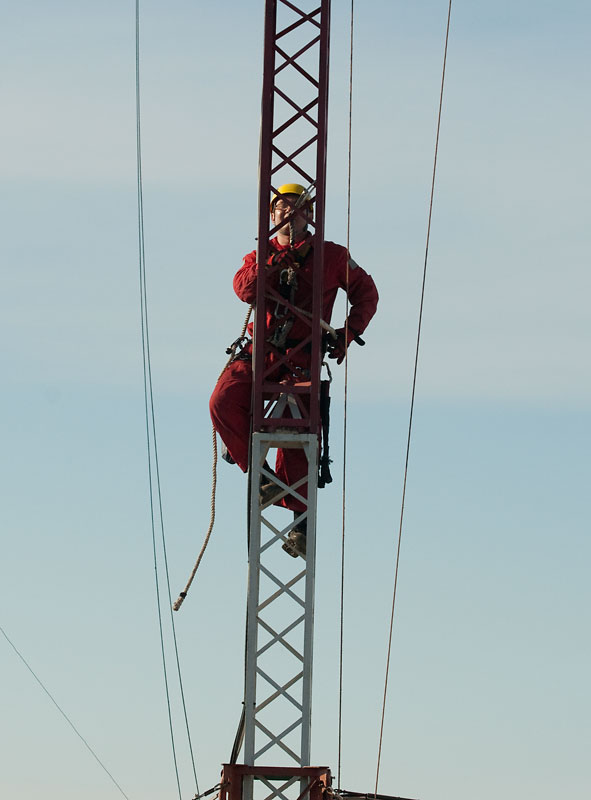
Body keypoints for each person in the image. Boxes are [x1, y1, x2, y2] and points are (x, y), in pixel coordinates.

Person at [209, 183, 378, 556]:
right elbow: (244, 288)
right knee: (223, 401)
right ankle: (263, 478)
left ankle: (300, 524)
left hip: (302, 357)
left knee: (296, 434)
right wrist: (272, 266)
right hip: (262, 352)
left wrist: (348, 334)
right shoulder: (261, 255)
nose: (289, 212)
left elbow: (367, 293)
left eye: (298, 206)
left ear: (310, 216)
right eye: (282, 207)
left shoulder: (332, 256)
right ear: (271, 216)